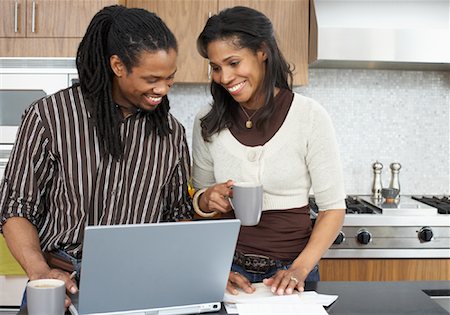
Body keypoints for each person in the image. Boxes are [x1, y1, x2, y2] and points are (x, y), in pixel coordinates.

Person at [0, 5, 193, 309]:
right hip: (59, 281)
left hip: (140, 286)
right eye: (152, 78)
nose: (163, 89)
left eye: (170, 78)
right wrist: (40, 272)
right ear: (118, 66)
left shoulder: (171, 133)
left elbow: (177, 216)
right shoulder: (50, 117)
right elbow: (17, 208)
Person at [192, 6, 346, 296]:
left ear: (262, 51)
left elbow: (333, 208)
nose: (224, 77)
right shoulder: (206, 121)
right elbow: (198, 200)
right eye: (216, 67)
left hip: (291, 271)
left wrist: (299, 269)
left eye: (233, 62)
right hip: (226, 272)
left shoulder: (309, 116)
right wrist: (206, 199)